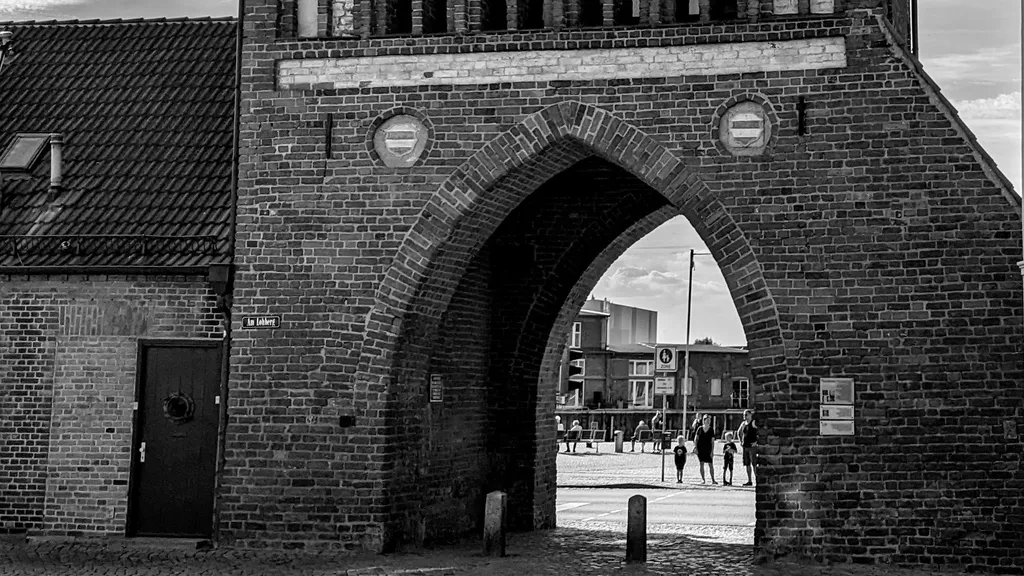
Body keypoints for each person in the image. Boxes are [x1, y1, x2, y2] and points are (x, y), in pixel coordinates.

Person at [736, 409, 758, 486]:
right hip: (745, 446)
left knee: (754, 464)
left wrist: (756, 442)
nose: (744, 416)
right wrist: (740, 441)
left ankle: (757, 481)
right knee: (747, 464)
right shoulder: (743, 424)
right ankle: (749, 481)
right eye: (744, 415)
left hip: (752, 447)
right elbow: (738, 432)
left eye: (746, 414)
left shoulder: (754, 422)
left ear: (750, 415)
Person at [693, 414, 717, 484]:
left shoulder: (711, 429)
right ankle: (703, 479)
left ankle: (713, 480)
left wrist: (712, 451)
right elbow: (696, 439)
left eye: (709, 420)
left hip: (708, 449)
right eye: (707, 419)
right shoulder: (699, 428)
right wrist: (696, 448)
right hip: (700, 448)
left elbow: (712, 441)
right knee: (701, 464)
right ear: (704, 420)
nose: (708, 421)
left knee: (710, 464)